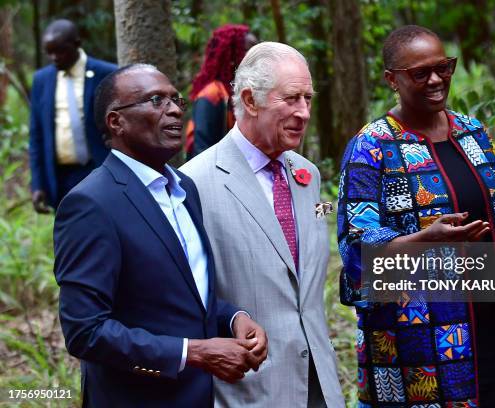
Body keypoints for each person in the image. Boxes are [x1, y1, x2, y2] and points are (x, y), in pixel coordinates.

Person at [337, 26, 495, 407]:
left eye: (443, 67)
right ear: (391, 80)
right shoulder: (371, 148)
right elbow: (358, 253)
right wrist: (426, 240)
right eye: (419, 73)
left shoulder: (474, 134)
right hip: (418, 346)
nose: (435, 80)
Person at [53, 64, 268, 407]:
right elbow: (85, 331)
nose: (173, 110)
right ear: (116, 122)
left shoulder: (185, 189)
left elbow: (179, 294)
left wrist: (232, 318)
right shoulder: (91, 204)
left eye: (175, 100)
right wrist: (194, 352)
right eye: (155, 100)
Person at [181, 42, 345, 408]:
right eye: (290, 99)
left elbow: (307, 272)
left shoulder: (308, 176)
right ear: (250, 101)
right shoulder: (195, 183)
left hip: (319, 382)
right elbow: (187, 295)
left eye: (308, 98)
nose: (303, 112)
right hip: (249, 388)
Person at [29, 19, 116, 212]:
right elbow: (36, 136)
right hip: (60, 178)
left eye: (59, 51)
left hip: (100, 169)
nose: (54, 57)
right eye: (49, 52)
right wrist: (38, 184)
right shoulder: (42, 80)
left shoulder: (107, 73)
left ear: (77, 44)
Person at [185, 24, 258, 158]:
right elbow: (201, 150)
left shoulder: (243, 92)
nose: (255, 57)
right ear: (231, 53)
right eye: (248, 50)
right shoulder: (212, 95)